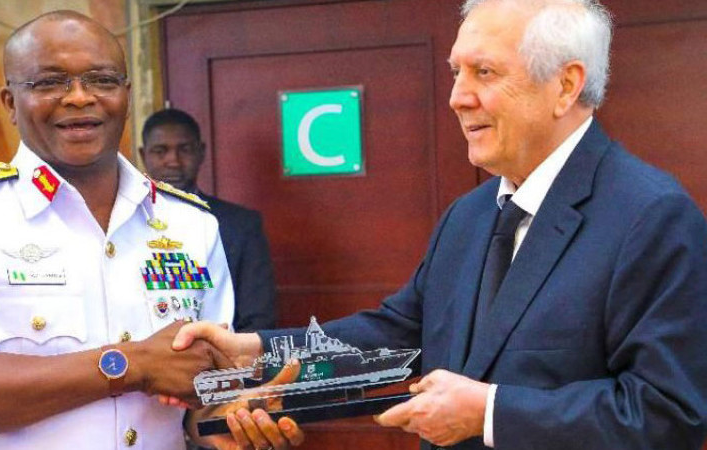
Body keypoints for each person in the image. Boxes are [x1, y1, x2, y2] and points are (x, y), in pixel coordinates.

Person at [172, 0, 707, 449]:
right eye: (456, 72)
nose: (457, 97)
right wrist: (257, 353)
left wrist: (490, 413)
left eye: (484, 72)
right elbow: (395, 337)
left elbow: (669, 413)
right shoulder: (469, 215)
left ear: (565, 86)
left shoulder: (651, 216)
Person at [0, 11, 236, 450]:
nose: (79, 97)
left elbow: (203, 393)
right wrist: (132, 364)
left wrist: (233, 422)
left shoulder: (191, 224)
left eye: (102, 80)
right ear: (10, 103)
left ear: (126, 95)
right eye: (50, 82)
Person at [139, 108, 277, 332]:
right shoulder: (123, 221)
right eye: (160, 151)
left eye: (184, 149)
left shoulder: (241, 225)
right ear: (143, 155)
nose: (173, 161)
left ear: (201, 152)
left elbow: (258, 319)